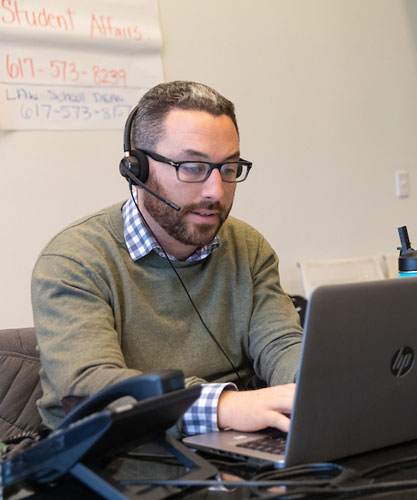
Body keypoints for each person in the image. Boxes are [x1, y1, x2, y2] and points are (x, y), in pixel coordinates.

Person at [31, 81, 302, 435]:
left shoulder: (248, 247)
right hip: (115, 458)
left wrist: (315, 389)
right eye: (192, 167)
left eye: (229, 168)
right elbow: (90, 386)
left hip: (231, 451)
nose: (215, 192)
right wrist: (223, 405)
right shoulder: (73, 260)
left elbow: (282, 345)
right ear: (137, 168)